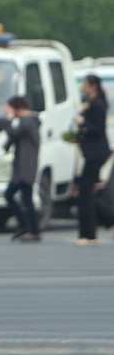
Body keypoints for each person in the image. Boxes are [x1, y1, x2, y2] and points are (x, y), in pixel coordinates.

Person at [72, 74, 111, 245]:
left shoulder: (97, 104)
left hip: (96, 153)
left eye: (85, 85)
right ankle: (91, 232)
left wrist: (82, 122)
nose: (83, 88)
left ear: (93, 86)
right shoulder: (92, 103)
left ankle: (88, 234)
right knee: (87, 193)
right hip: (94, 152)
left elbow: (97, 129)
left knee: (85, 194)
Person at [1, 96, 41, 242]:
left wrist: (9, 118)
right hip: (22, 167)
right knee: (19, 197)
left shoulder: (29, 122)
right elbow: (14, 138)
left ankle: (32, 229)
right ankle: (26, 226)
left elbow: (13, 134)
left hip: (26, 168)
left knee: (25, 198)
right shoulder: (26, 122)